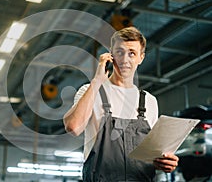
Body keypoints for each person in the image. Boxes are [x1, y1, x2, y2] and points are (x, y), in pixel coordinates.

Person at [63, 26, 179, 181]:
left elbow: (150, 155)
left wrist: (164, 162)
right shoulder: (91, 91)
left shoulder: (149, 101)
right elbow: (73, 127)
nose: (125, 59)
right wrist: (97, 81)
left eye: (132, 53)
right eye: (120, 52)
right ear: (110, 55)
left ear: (141, 58)